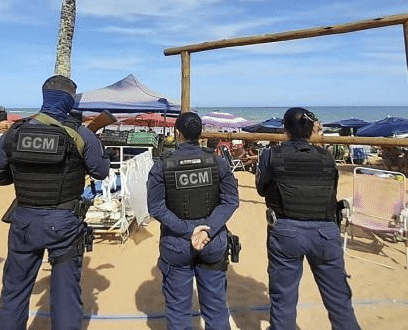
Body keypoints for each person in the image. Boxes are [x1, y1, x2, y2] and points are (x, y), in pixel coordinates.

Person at [0, 75, 109, 330]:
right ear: (69, 101)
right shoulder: (80, 134)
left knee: (14, 293)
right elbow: (100, 172)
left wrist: (21, 173)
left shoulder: (17, 131)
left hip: (24, 222)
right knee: (65, 296)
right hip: (64, 224)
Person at [256, 107, 362, 330]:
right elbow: (331, 190)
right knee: (339, 300)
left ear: (285, 129)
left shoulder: (272, 155)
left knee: (284, 300)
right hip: (325, 231)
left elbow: (261, 188)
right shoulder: (326, 157)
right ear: (310, 130)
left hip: (287, 232)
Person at [147, 112, 239, 330]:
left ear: (177, 133)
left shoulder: (162, 166)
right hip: (212, 241)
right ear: (200, 133)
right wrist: (206, 231)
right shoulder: (217, 162)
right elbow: (231, 201)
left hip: (177, 244)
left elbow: (156, 207)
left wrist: (190, 231)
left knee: (179, 312)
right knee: (216, 309)